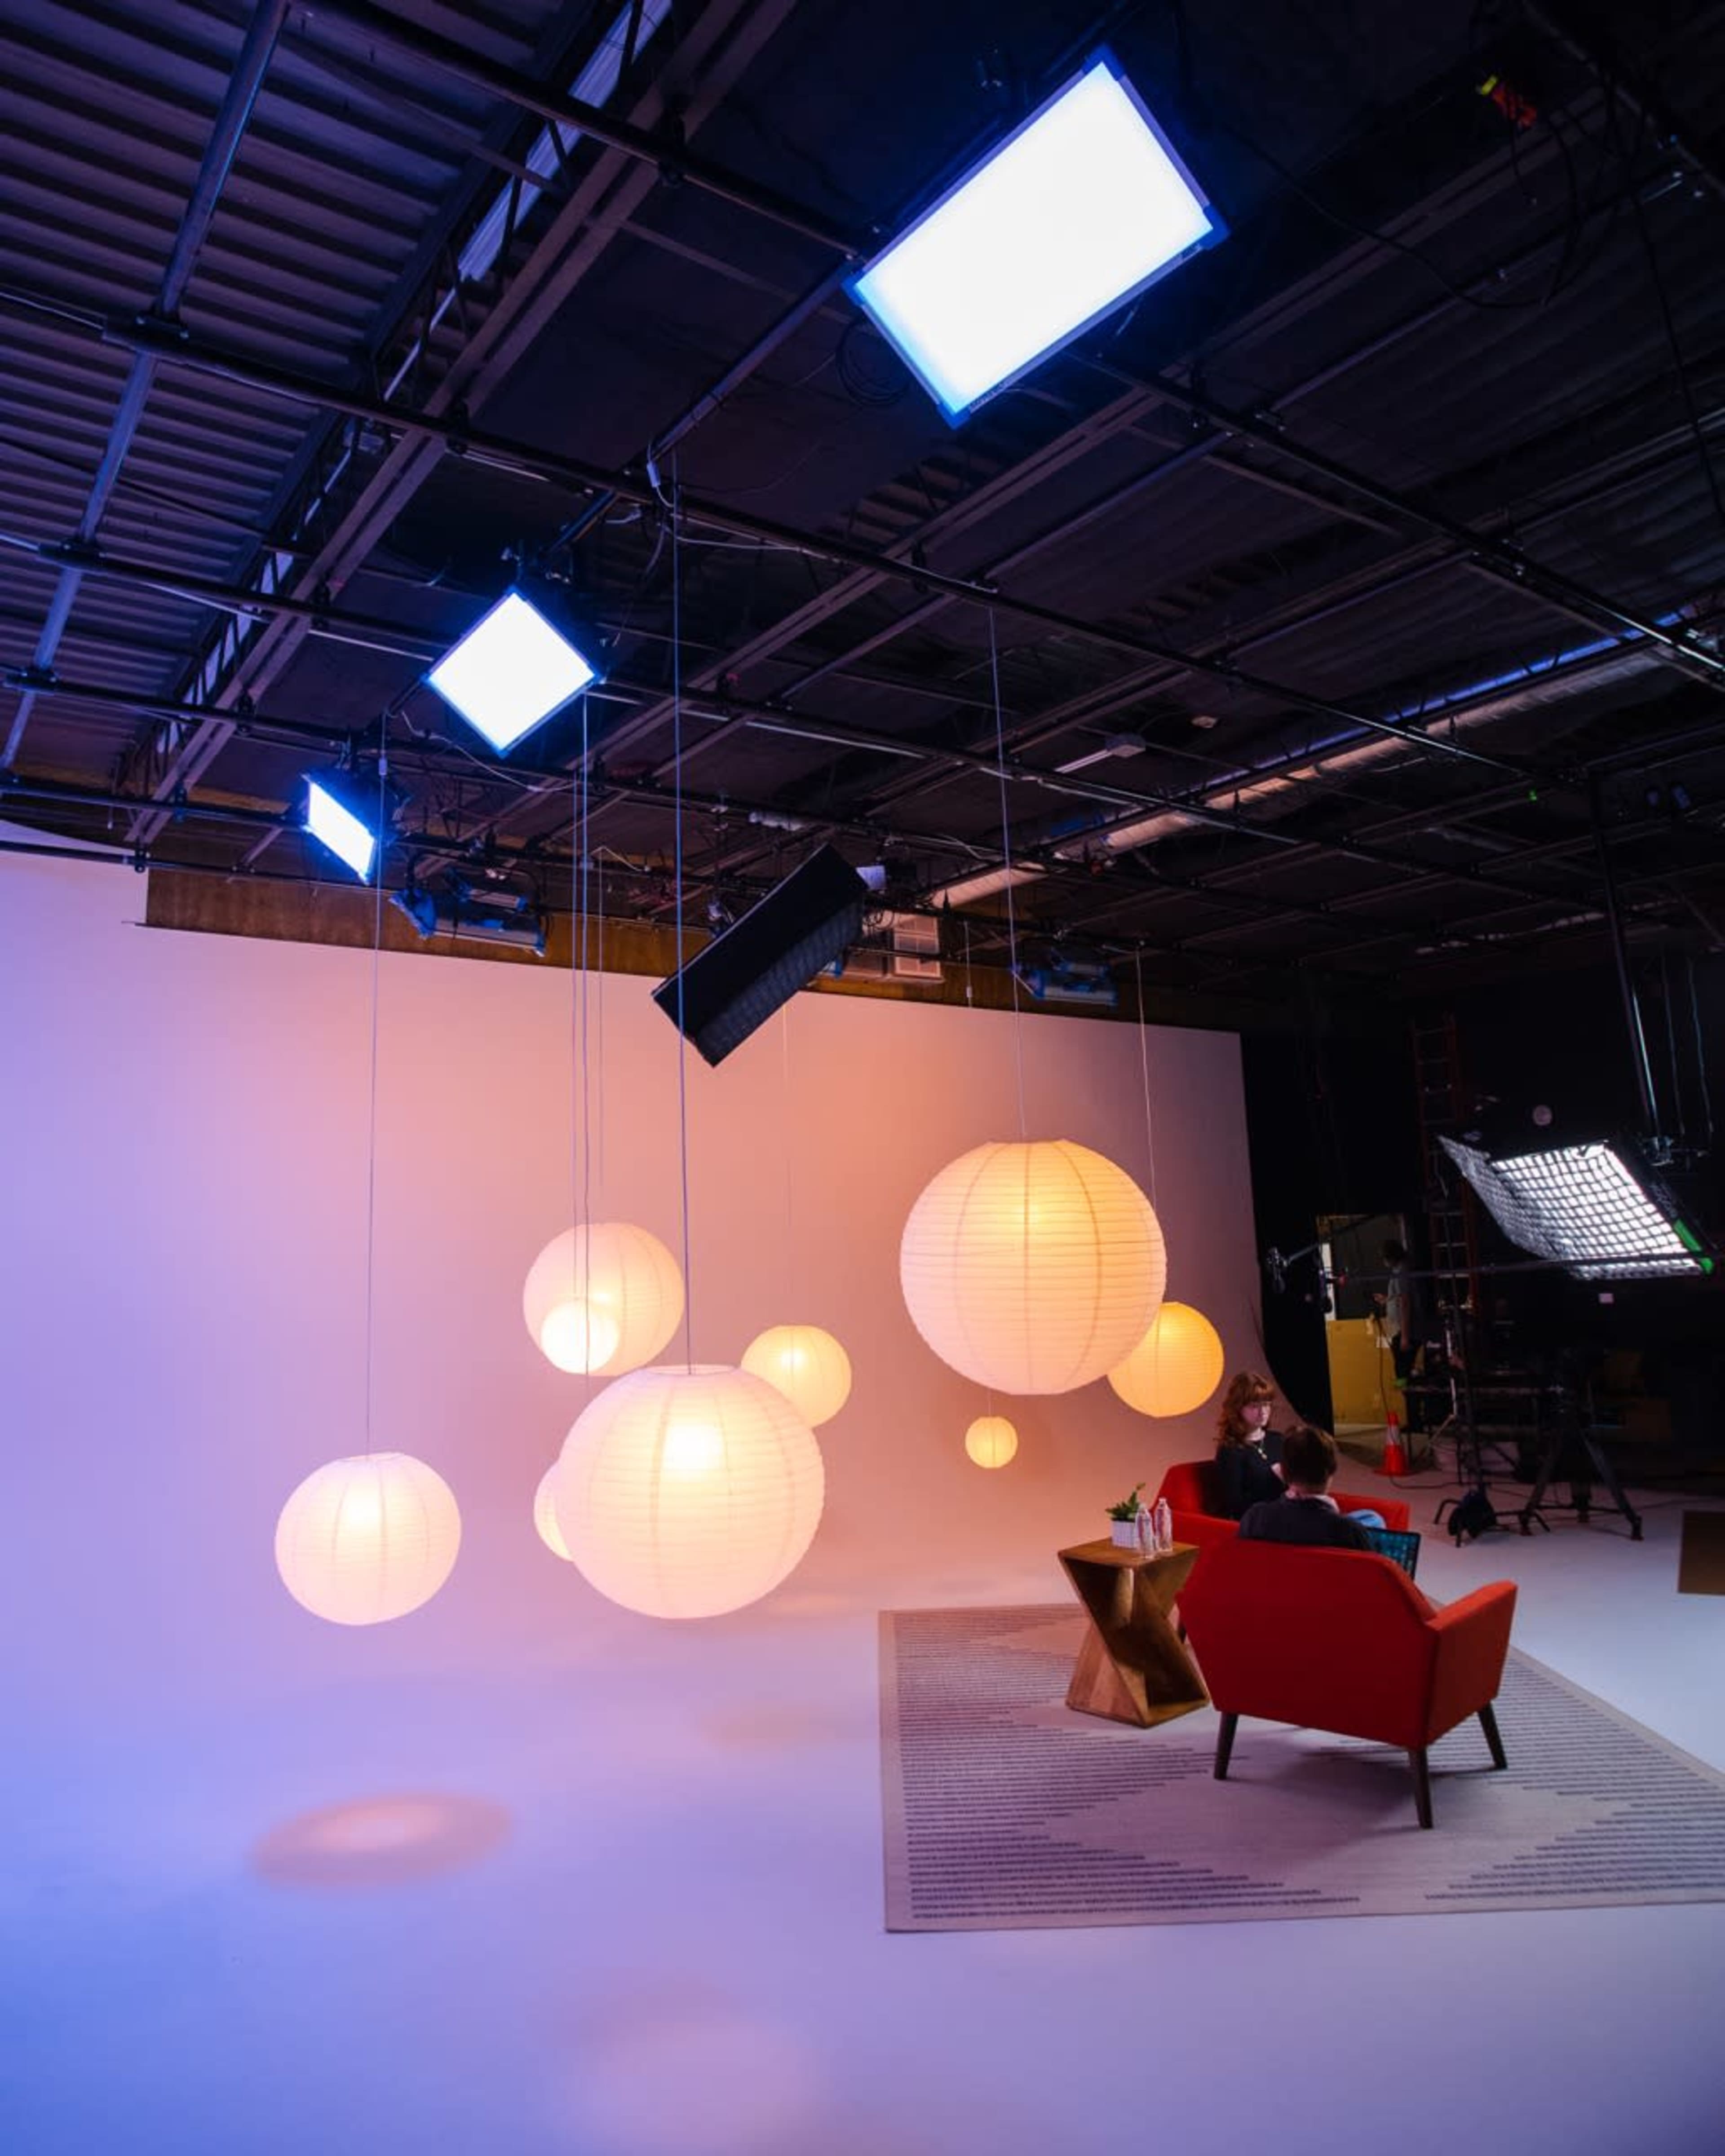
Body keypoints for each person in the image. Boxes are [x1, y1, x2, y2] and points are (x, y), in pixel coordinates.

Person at [1238, 1424, 1373, 1550]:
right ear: (1332, 1471)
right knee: (1372, 1519)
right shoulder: (1351, 1532)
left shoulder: (1255, 1519)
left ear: (1284, 1472)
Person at [1213, 1370, 1287, 1519]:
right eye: (1255, 1406)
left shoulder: (1279, 1440)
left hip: (1287, 1513)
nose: (1263, 1412)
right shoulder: (1231, 1450)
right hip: (1258, 1521)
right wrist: (1275, 1479)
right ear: (1237, 1409)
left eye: (1267, 1405)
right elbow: (1236, 1506)